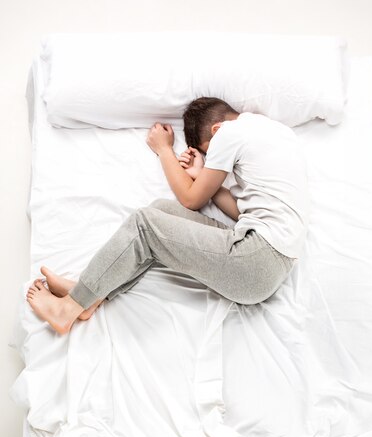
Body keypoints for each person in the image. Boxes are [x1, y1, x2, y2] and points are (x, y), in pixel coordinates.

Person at [26, 97, 310, 335]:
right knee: (161, 211)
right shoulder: (276, 132)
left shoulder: (229, 133)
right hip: (267, 261)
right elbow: (241, 213)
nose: (212, 163)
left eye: (209, 155)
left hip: (256, 260)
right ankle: (91, 295)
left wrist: (164, 150)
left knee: (144, 224)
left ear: (217, 128)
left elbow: (190, 198)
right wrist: (206, 178)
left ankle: (67, 309)